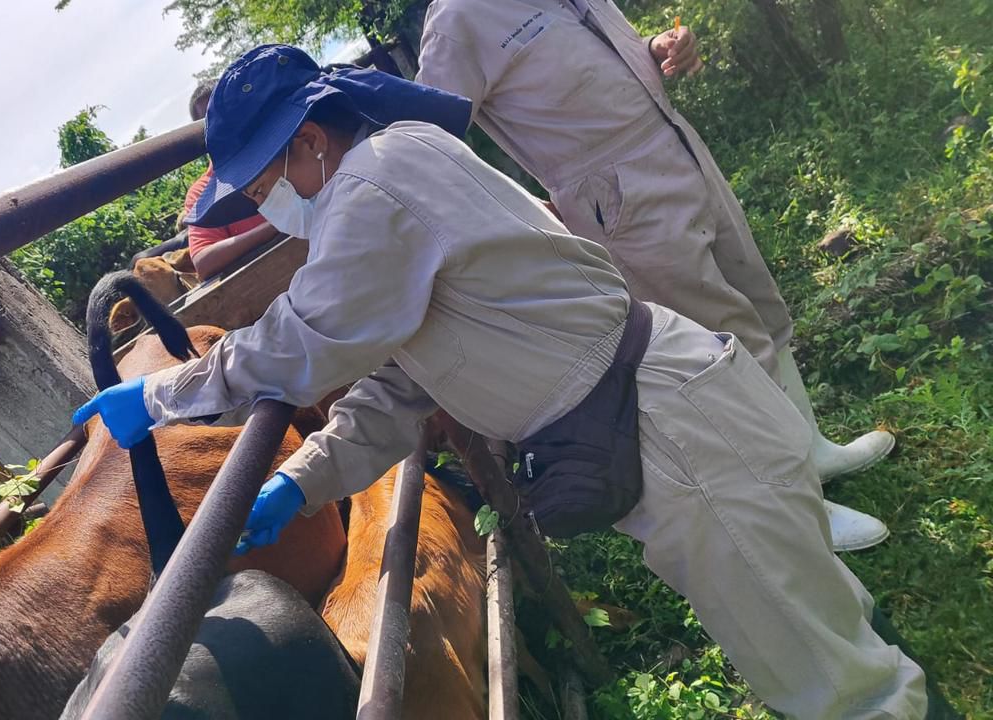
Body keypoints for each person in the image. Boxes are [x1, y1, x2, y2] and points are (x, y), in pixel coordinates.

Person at [72, 45, 948, 719]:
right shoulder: (397, 168)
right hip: (663, 412)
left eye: (263, 187)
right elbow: (400, 387)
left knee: (826, 675)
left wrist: (161, 396)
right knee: (809, 612)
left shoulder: (375, 190)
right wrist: (301, 481)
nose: (263, 212)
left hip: (670, 430)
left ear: (309, 142)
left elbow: (303, 341)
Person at [412, 0, 894, 551]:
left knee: (757, 300)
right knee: (723, 343)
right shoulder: (457, 21)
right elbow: (434, 143)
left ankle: (812, 450)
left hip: (672, 141)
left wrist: (654, 50)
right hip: (613, 190)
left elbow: (597, 65)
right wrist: (526, 205)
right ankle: (800, 510)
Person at [183, 81, 282, 281]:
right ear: (203, 134)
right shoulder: (202, 191)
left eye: (224, 115)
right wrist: (275, 226)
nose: (221, 129)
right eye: (210, 123)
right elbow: (204, 261)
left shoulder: (274, 145)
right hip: (271, 280)